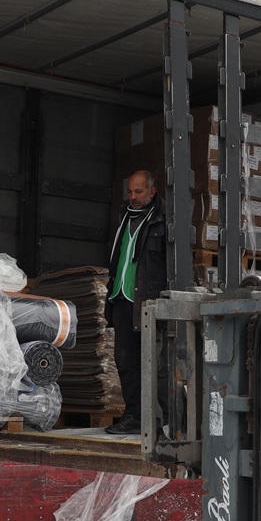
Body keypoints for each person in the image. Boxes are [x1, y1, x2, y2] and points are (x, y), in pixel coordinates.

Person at [105, 169, 167, 435]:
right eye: (130, 192)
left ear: (152, 192)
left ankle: (158, 419)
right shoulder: (123, 217)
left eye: (139, 191)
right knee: (125, 360)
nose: (133, 197)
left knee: (154, 362)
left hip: (146, 300)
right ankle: (133, 415)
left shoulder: (164, 220)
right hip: (121, 298)